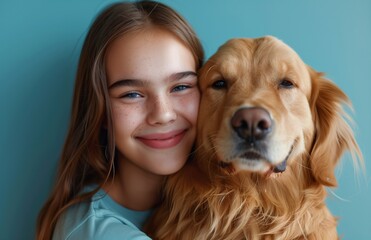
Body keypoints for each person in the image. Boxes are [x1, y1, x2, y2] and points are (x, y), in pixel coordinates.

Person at [36, 1, 204, 239]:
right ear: (101, 110)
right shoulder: (93, 231)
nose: (163, 114)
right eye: (131, 94)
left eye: (181, 87)